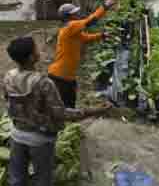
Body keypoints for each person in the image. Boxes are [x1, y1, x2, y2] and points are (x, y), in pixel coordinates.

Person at [2, 36, 111, 186]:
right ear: (31, 57)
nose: (39, 51)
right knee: (43, 180)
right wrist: (92, 111)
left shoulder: (8, 77)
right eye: (36, 49)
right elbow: (61, 113)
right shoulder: (44, 83)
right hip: (40, 140)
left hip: (17, 135)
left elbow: (9, 102)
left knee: (17, 179)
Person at [48, 0, 116, 108]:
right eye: (75, 13)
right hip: (60, 76)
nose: (78, 14)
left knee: (68, 106)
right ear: (69, 17)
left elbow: (85, 38)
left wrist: (102, 35)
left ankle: (67, 122)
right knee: (63, 107)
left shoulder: (71, 31)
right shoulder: (70, 26)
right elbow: (90, 21)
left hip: (65, 76)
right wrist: (105, 6)